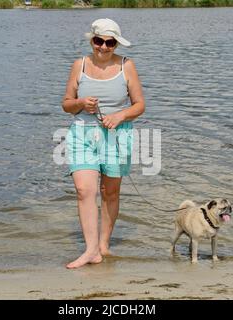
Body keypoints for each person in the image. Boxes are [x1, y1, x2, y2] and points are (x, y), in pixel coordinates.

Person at [61, 18, 145, 269]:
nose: (104, 47)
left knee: (110, 192)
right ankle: (90, 250)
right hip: (82, 134)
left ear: (116, 44)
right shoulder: (80, 65)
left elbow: (140, 105)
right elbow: (66, 103)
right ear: (92, 41)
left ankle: (103, 245)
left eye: (110, 43)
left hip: (117, 135)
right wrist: (80, 104)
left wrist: (120, 115)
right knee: (84, 190)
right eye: (99, 41)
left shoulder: (127, 66)